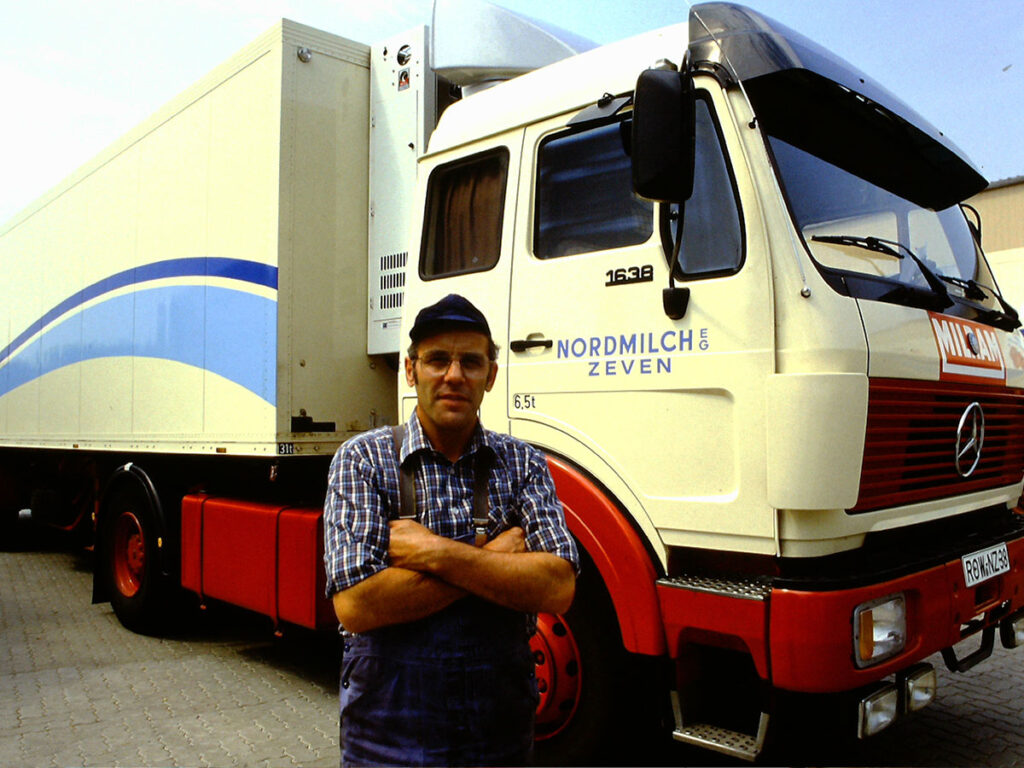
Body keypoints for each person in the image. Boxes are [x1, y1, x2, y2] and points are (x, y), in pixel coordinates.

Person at [323, 293, 579, 767]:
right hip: (386, 742)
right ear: (411, 370)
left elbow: (558, 587)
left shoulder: (523, 463)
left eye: (471, 362)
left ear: (491, 376)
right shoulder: (362, 460)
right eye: (438, 359)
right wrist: (494, 556)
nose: (454, 375)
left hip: (498, 738)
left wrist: (435, 553)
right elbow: (357, 605)